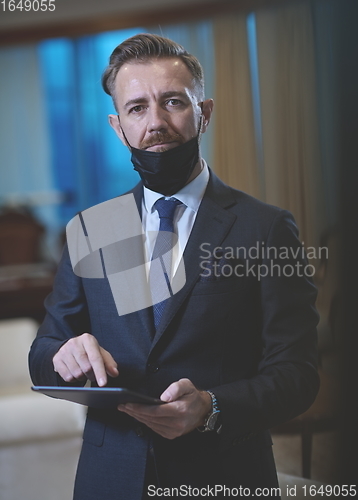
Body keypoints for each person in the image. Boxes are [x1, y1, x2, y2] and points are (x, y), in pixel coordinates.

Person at [29, 33, 319, 499]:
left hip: (225, 476)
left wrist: (212, 407)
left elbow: (299, 374)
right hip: (109, 481)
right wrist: (62, 356)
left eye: (172, 102)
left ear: (203, 113)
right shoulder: (91, 228)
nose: (156, 122)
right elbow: (44, 352)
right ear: (117, 126)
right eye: (137, 108)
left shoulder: (266, 229)